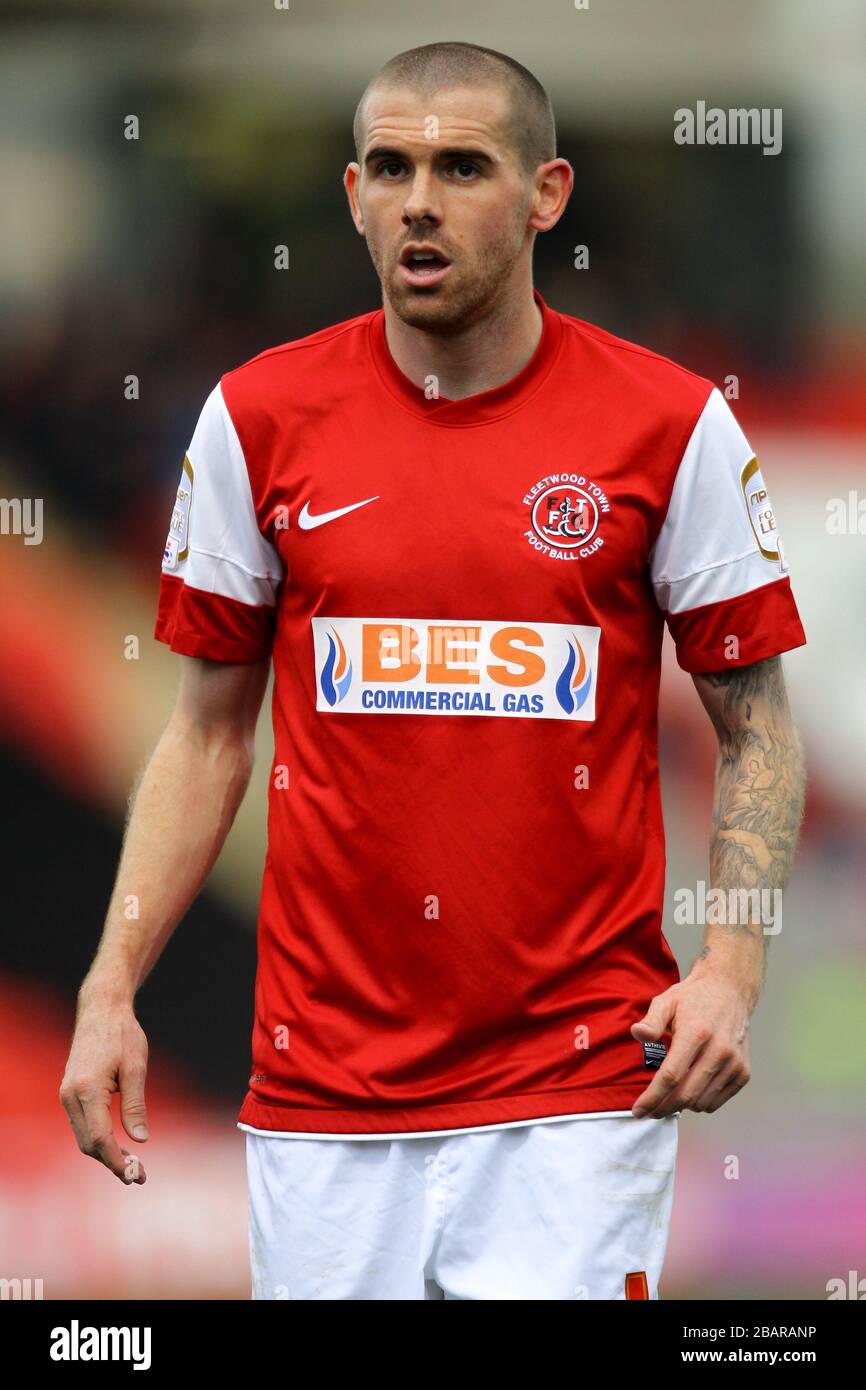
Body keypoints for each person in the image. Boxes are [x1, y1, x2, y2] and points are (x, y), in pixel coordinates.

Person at [61, 41, 807, 1300]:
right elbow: (204, 736)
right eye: (392, 168)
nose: (420, 200)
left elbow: (758, 731)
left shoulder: (670, 426)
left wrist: (728, 968)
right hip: (321, 1097)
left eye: (462, 166)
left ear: (544, 194)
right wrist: (108, 986)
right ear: (352, 196)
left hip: (573, 1092)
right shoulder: (255, 420)